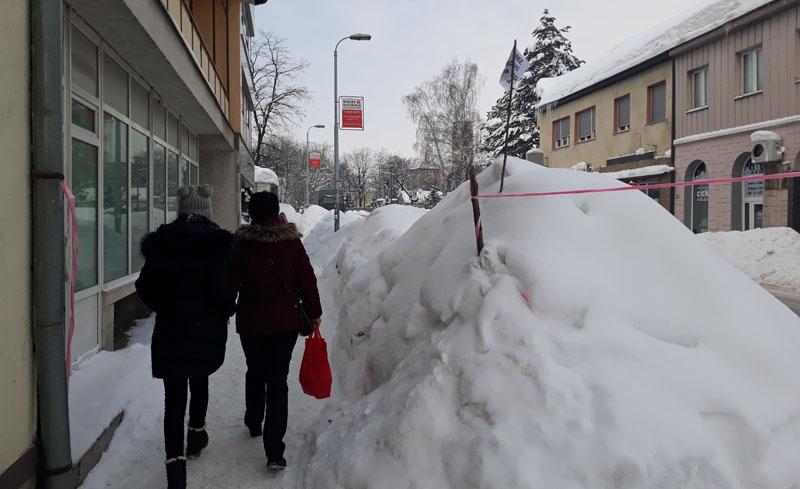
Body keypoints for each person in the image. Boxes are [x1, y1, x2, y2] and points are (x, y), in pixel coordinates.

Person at [135, 185, 237, 489]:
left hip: (171, 331)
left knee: (174, 398)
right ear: (206, 210)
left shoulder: (162, 243)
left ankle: (175, 469)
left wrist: (165, 306)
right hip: (206, 331)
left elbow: (144, 286)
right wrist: (225, 309)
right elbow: (224, 292)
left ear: (181, 209)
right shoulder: (218, 245)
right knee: (200, 378)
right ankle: (196, 435)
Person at [235, 192, 322, 471]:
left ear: (252, 213)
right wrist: (315, 312)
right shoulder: (291, 243)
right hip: (284, 322)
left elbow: (229, 280)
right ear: (276, 212)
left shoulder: (241, 244)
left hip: (251, 321)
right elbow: (307, 278)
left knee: (255, 370)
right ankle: (275, 452)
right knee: (277, 379)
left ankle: (252, 420)